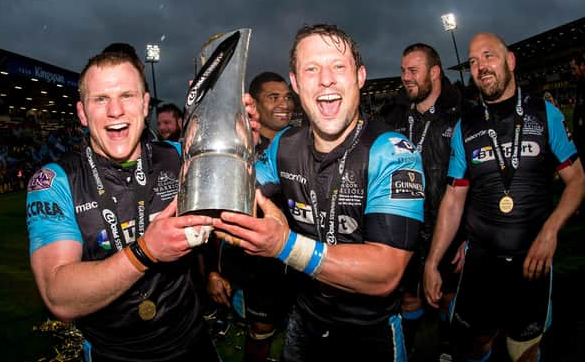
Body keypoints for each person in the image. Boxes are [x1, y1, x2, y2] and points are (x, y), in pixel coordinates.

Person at [26, 49, 259, 361]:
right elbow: (58, 295)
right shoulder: (54, 182)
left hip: (191, 342)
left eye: (127, 95)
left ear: (146, 103)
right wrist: (146, 251)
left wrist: (239, 134)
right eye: (100, 99)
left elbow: (248, 194)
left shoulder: (180, 157)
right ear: (82, 113)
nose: (116, 110)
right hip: (114, 353)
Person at [212, 23, 425, 362]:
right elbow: (235, 199)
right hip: (306, 321)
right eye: (312, 69)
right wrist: (229, 146)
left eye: (338, 66)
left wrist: (285, 246)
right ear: (296, 83)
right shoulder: (285, 144)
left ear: (359, 77)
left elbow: (386, 272)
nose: (326, 79)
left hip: (370, 331)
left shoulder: (394, 151)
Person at [423, 32, 585, 362]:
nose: (480, 67)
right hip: (481, 262)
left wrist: (550, 231)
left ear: (510, 61)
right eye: (473, 61)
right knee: (477, 341)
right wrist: (432, 261)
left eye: (488, 56)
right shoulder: (465, 127)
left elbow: (578, 180)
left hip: (532, 261)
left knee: (523, 349)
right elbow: (454, 199)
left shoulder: (545, 114)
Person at [205, 71, 295, 361]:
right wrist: (212, 270)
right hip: (255, 268)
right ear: (253, 104)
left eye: (287, 97)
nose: (284, 104)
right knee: (261, 333)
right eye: (274, 97)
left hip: (296, 262)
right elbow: (210, 213)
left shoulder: (301, 144)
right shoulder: (234, 148)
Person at [383, 43, 464, 361]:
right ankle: (410, 350)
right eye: (403, 70)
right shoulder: (394, 115)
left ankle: (447, 348)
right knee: (409, 298)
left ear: (434, 72)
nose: (405, 77)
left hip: (448, 228)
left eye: (413, 70)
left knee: (445, 296)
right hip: (405, 229)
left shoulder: (461, 115)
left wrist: (467, 236)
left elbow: (476, 183)